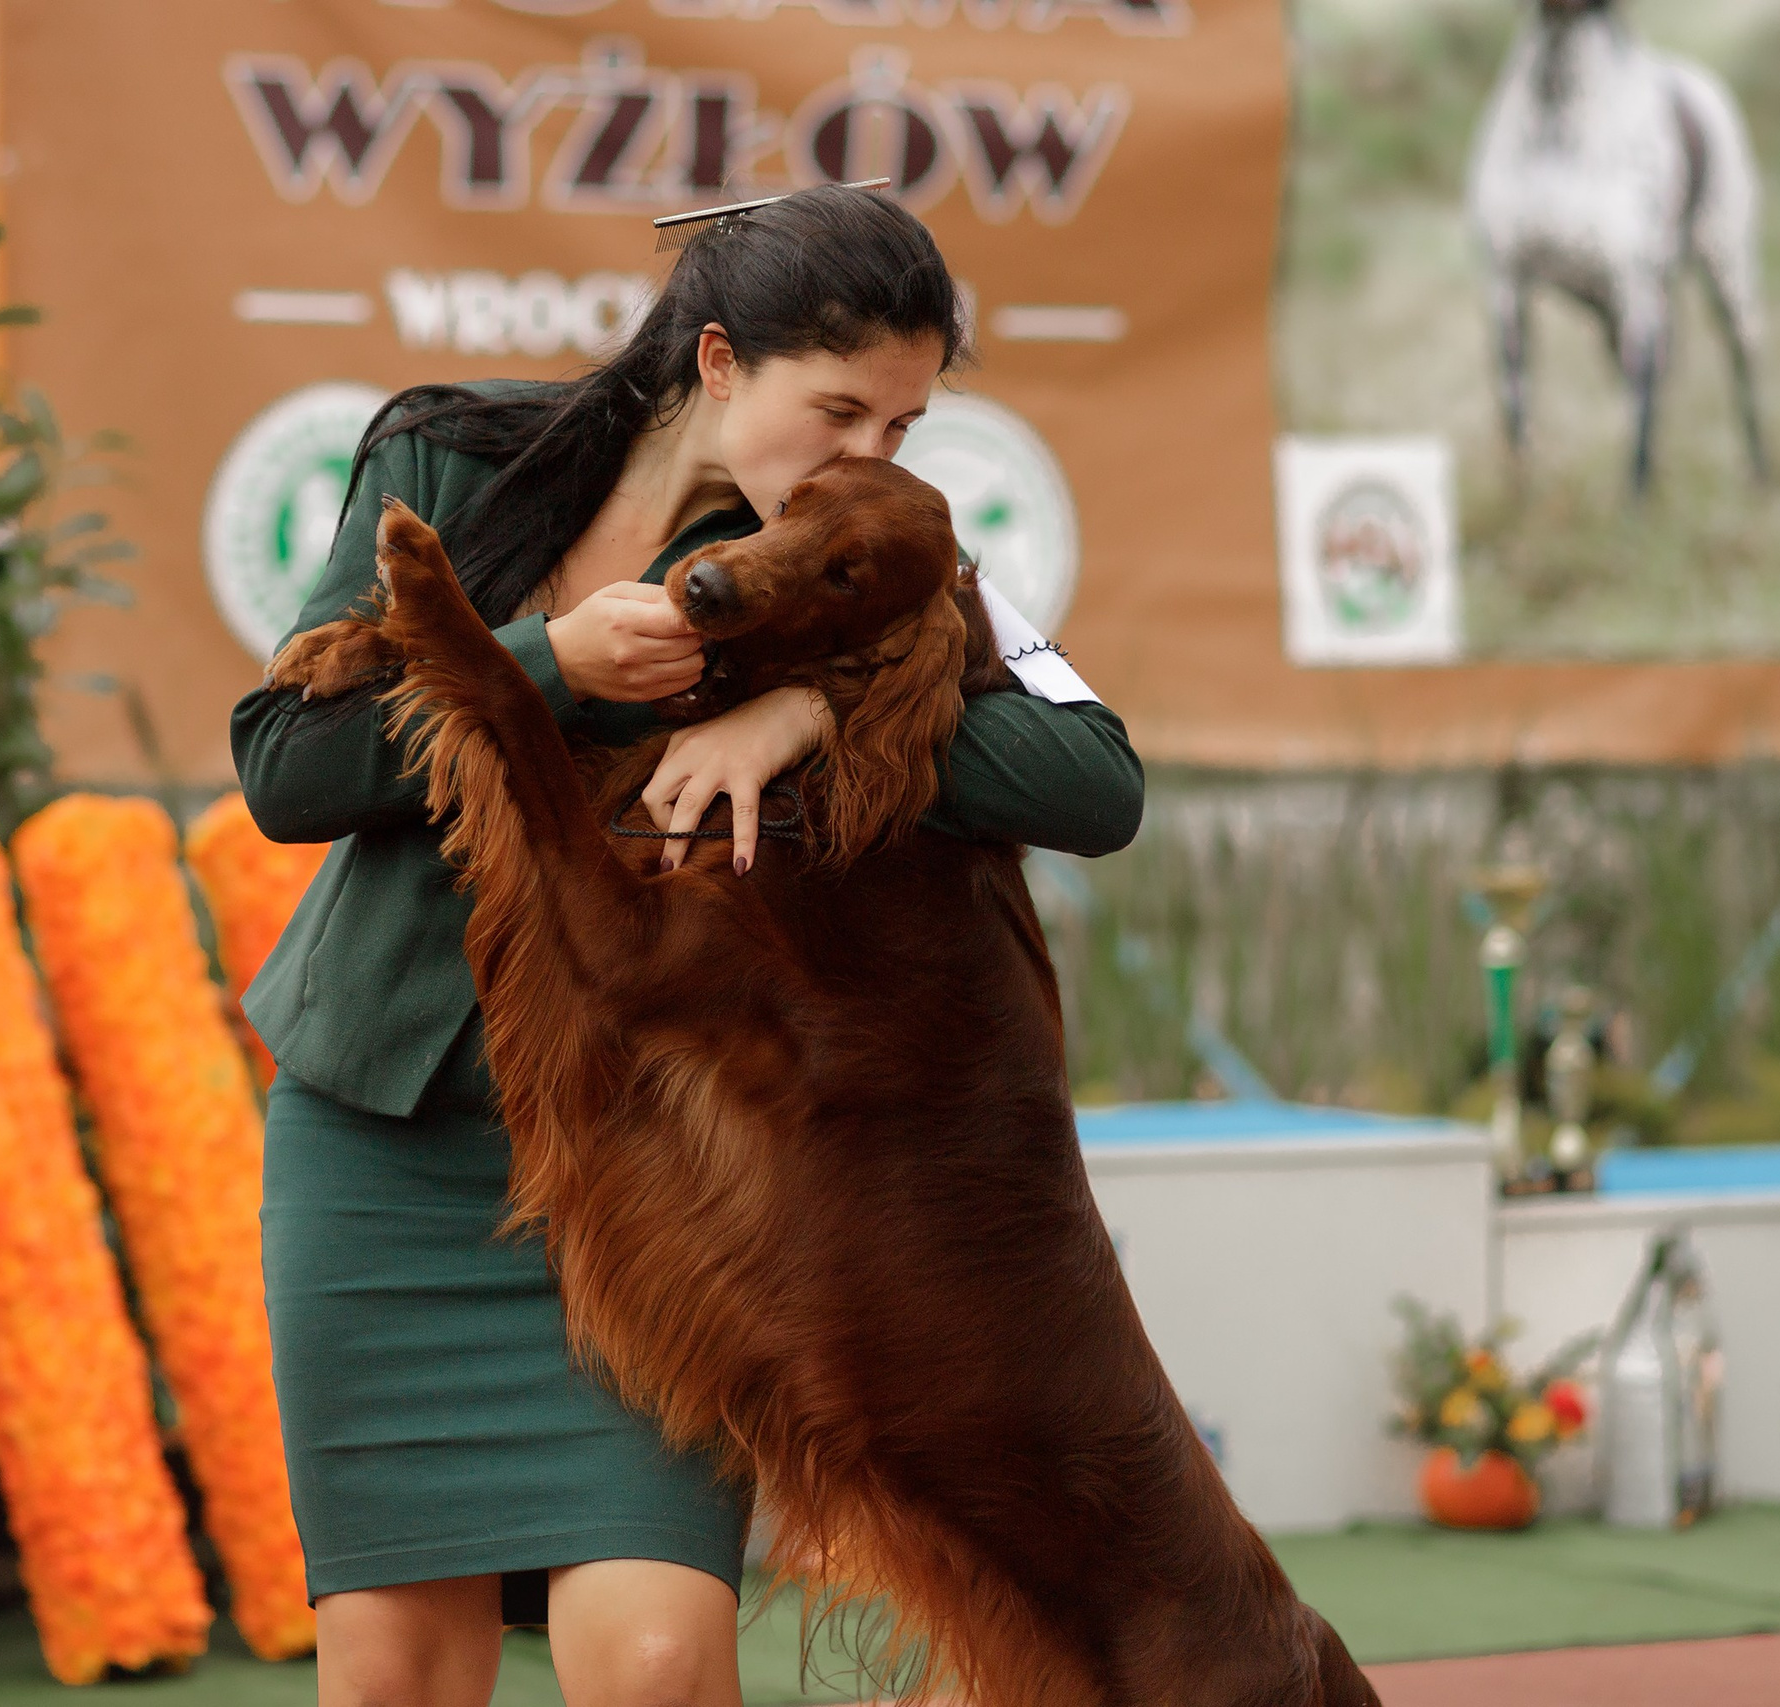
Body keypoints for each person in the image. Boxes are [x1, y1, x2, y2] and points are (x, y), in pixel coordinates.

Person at [230, 183, 1144, 1707]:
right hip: (378, 1147)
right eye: (840, 410)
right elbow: (287, 768)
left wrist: (814, 706)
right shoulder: (452, 458)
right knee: (390, 1672)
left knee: (657, 1659)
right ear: (718, 362)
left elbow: (1092, 776)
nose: (867, 461)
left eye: (903, 431)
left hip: (649, 1188)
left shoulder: (851, 561)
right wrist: (546, 667)